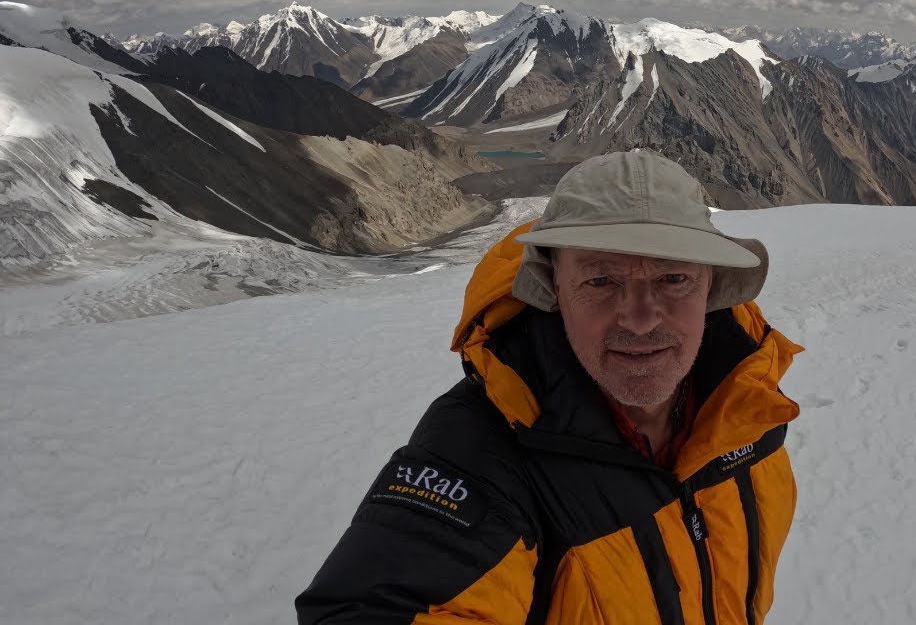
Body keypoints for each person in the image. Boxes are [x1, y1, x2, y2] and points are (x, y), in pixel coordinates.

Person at [296, 149, 804, 624]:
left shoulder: (748, 413)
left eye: (673, 278)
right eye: (601, 281)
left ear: (711, 285)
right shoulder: (481, 451)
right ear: (553, 288)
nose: (641, 318)